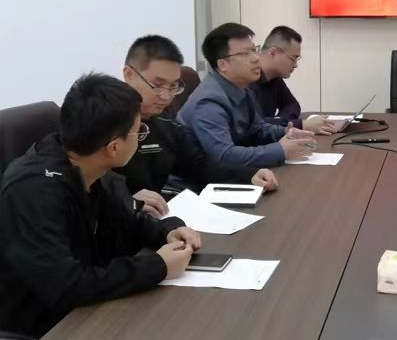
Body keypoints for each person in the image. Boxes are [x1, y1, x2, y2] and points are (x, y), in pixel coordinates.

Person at [0, 73, 201, 338]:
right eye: (139, 131)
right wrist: (158, 266)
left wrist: (167, 231)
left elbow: (126, 222)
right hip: (46, 325)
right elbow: (67, 286)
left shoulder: (88, 166)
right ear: (114, 147)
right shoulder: (33, 191)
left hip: (90, 309)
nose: (141, 137)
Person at [116, 35, 279, 217]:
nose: (166, 96)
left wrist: (249, 175)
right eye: (157, 85)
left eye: (173, 86)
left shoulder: (166, 125)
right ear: (129, 74)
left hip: (155, 219)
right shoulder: (104, 123)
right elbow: (93, 184)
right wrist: (126, 200)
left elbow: (199, 167)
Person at [179, 23, 317, 168]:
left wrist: (286, 132)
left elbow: (256, 129)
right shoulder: (208, 102)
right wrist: (280, 150)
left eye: (254, 50)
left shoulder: (241, 87)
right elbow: (224, 156)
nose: (256, 58)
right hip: (197, 180)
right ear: (223, 65)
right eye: (245, 54)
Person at [250, 26, 335, 135]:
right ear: (273, 53)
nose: (295, 65)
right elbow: (254, 125)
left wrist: (281, 122)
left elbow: (292, 105)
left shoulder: (275, 78)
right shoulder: (245, 79)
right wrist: (302, 125)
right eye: (293, 58)